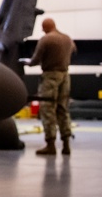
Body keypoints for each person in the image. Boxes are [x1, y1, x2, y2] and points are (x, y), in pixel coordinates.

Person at [30, 18, 77, 156]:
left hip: (50, 77)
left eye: (43, 27)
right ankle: (66, 144)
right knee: (63, 109)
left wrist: (28, 63)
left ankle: (50, 144)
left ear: (46, 27)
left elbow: (36, 59)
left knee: (47, 109)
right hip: (65, 76)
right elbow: (74, 50)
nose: (42, 30)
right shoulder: (67, 39)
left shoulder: (46, 40)